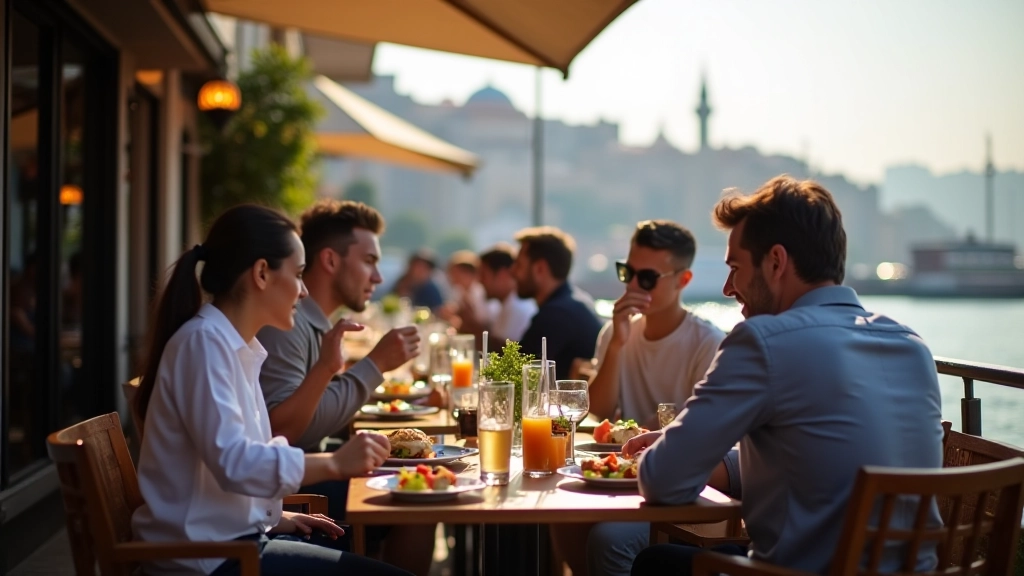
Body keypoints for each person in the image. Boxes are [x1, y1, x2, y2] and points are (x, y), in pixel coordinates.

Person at [622, 176, 943, 576]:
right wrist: (715, 457)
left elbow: (661, 481)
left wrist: (676, 448)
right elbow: (820, 453)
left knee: (656, 564)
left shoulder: (764, 343)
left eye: (735, 267)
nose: (727, 288)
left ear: (776, 262)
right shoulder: (912, 346)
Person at [131, 204, 411, 576]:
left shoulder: (231, 346)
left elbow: (230, 468)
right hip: (211, 562)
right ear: (262, 273)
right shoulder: (203, 344)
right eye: (297, 274)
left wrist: (276, 517)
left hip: (232, 545)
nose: (304, 290)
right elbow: (235, 463)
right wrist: (334, 463)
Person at [256, 199, 431, 573]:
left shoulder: (303, 324)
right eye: (369, 261)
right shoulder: (285, 326)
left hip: (274, 497)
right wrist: (374, 366)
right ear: (331, 261)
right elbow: (285, 431)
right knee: (417, 501)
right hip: (285, 495)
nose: (378, 277)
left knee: (415, 485)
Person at [552, 221, 725, 576]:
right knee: (560, 514)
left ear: (683, 280)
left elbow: (708, 439)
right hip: (620, 479)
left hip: (678, 494)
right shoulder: (615, 333)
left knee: (606, 537)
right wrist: (616, 343)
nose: (632, 285)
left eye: (646, 277)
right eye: (627, 272)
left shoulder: (706, 343)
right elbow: (596, 411)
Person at [513, 226, 602, 380]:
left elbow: (513, 373)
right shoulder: (572, 303)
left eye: (519, 265)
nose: (512, 271)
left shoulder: (557, 314)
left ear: (540, 269)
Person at [478, 243, 537, 345]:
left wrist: (475, 330)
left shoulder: (519, 307)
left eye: (484, 275)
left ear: (502, 275)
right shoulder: (506, 304)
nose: (480, 281)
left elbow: (511, 354)